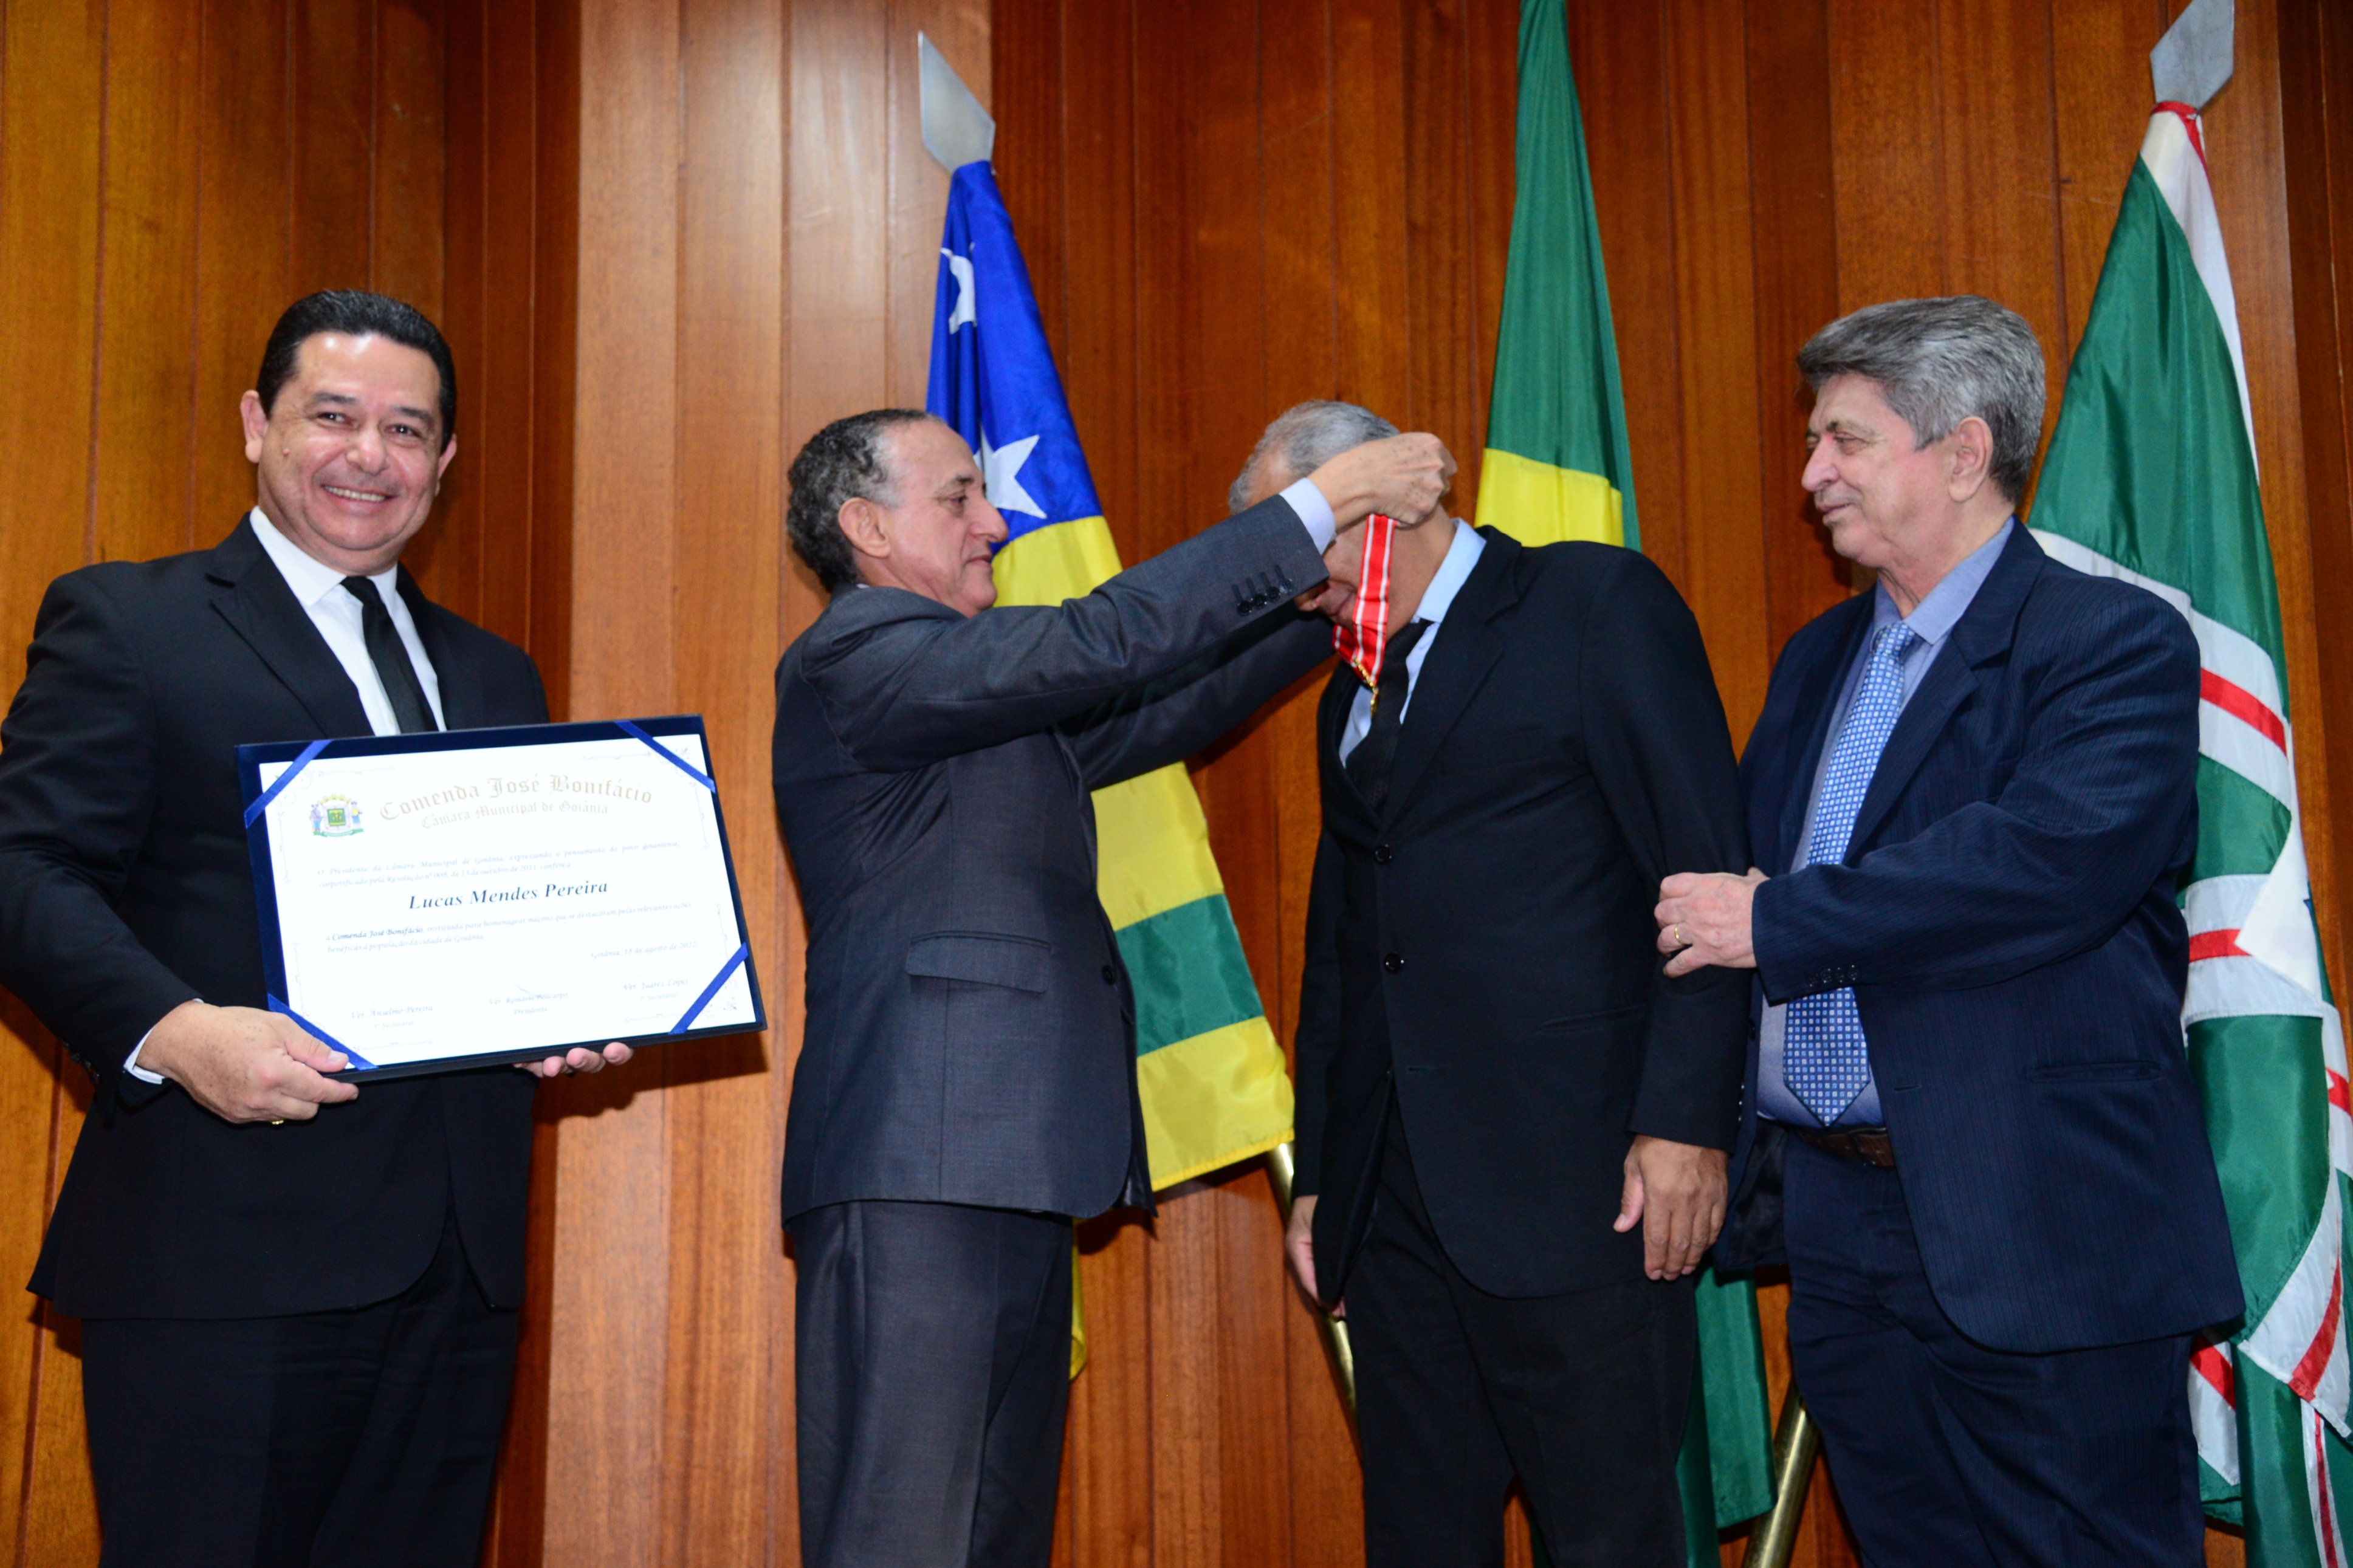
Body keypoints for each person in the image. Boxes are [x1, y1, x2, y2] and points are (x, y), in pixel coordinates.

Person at [0, 290, 630, 1567]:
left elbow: (509, 914)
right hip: (220, 1259)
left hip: (455, 1273)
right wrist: (177, 1033)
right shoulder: (130, 622)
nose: (369, 455)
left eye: (407, 430)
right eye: (333, 416)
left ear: (444, 463)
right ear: (257, 424)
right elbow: (21, 864)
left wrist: (557, 1007)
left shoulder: (497, 673)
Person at [771, 407, 1451, 1568]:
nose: (994, 522)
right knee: (902, 1538)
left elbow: (1164, 702)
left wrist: (1340, 604)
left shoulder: (967, 706)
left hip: (1014, 1167)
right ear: (866, 529)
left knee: (993, 1542)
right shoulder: (857, 658)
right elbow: (1104, 638)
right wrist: (1320, 505)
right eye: (958, 498)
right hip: (916, 1177)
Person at [1656, 296, 2242, 1566]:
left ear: (1965, 453)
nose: (1813, 475)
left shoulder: (2109, 641)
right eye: (1814, 442)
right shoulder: (1816, 660)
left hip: (2040, 1224)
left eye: (1847, 440)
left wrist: (1777, 917)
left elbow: (2040, 866)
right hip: (1838, 1223)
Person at [1264, 401, 1750, 1566]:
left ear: (1382, 504)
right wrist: (1325, 1174)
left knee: (1608, 1538)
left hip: (1582, 1189)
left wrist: (1685, 1122)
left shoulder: (1593, 604)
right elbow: (1344, 949)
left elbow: (1703, 877)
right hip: (1395, 1205)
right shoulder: (1345, 693)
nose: (1292, 588)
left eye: (1302, 540)